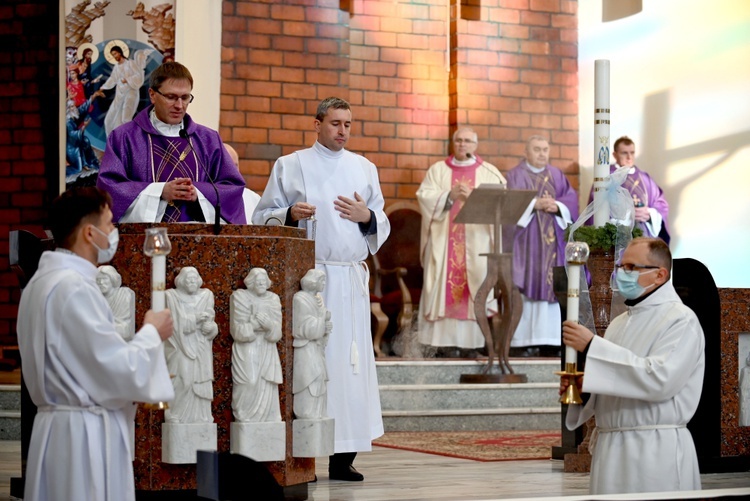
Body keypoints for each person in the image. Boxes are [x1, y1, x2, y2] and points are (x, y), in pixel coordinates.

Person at [253, 97, 390, 481]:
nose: (343, 131)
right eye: (335, 123)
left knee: (350, 366)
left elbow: (380, 221)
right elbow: (262, 216)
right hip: (308, 281)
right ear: (317, 124)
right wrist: (289, 215)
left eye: (348, 124)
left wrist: (367, 218)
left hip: (348, 281)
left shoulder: (364, 168)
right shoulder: (290, 165)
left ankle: (344, 456)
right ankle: (307, 457)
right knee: (314, 366)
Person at [17, 187, 174, 501]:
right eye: (110, 223)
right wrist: (151, 332)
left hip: (57, 430)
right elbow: (114, 369)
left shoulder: (41, 283)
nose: (114, 231)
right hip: (82, 438)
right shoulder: (74, 289)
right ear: (90, 233)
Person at [560, 237, 705, 495]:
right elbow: (616, 381)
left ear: (660, 275)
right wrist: (584, 388)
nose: (620, 275)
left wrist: (593, 347)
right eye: (620, 267)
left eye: (630, 268)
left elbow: (659, 379)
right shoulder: (619, 323)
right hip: (610, 447)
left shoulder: (681, 320)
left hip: (654, 449)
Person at [97, 61, 246, 224]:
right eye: (171, 97)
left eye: (185, 97)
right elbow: (109, 189)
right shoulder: (124, 138)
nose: (179, 106)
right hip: (142, 242)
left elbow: (232, 188)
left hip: (198, 240)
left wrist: (198, 193)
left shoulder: (208, 140)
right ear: (152, 94)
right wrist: (160, 192)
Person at [416, 127, 506, 356]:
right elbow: (424, 197)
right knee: (444, 285)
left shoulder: (489, 172)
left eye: (467, 141)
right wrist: (448, 196)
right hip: (444, 242)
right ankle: (442, 345)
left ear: (475, 145)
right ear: (453, 143)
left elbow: (501, 204)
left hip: (477, 244)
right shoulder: (437, 171)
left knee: (474, 287)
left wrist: (473, 197)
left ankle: (471, 346)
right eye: (459, 140)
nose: (463, 144)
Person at [503, 135, 578, 357]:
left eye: (545, 149)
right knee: (527, 284)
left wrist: (558, 206)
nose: (542, 153)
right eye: (536, 149)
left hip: (553, 243)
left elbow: (571, 200)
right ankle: (523, 342)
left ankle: (551, 341)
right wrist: (533, 204)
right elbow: (507, 205)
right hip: (527, 243)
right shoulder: (515, 175)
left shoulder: (557, 175)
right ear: (526, 151)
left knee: (552, 285)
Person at [588, 136, 670, 243]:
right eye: (624, 153)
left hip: (644, 237)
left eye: (632, 152)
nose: (629, 157)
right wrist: (629, 215)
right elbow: (598, 208)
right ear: (615, 154)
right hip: (618, 239)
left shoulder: (645, 178)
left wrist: (649, 214)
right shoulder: (606, 178)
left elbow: (661, 204)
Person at [164, 266, 219, 424]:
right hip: (180, 346)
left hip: (201, 347)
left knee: (199, 383)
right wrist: (195, 319)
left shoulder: (206, 296)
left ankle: (201, 416)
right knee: (183, 379)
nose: (192, 281)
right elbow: (173, 323)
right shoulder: (171, 296)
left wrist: (211, 329)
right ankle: (174, 412)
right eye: (188, 278)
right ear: (180, 281)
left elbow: (211, 321)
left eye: (194, 278)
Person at [230, 268, 283, 423]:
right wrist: (253, 324)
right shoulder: (240, 297)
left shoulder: (273, 299)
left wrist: (269, 326)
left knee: (267, 383)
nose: (261, 284)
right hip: (247, 346)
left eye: (263, 281)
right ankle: (244, 414)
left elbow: (277, 331)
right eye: (257, 281)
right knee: (249, 381)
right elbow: (237, 329)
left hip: (267, 347)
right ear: (250, 283)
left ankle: (269, 417)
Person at [292, 269, 332, 420]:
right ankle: (307, 413)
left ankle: (317, 413)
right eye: (321, 281)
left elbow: (319, 326)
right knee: (310, 378)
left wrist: (325, 328)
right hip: (306, 348)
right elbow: (305, 329)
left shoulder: (318, 299)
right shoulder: (300, 299)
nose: (323, 284)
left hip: (316, 347)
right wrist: (322, 319)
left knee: (320, 378)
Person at [99, 45, 153, 136]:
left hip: (130, 93)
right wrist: (103, 87)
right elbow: (113, 78)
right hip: (119, 94)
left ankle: (134, 139)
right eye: (113, 55)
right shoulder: (116, 67)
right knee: (109, 120)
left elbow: (139, 76)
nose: (114, 56)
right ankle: (114, 142)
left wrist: (127, 79)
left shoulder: (130, 63)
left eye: (115, 53)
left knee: (125, 119)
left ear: (120, 52)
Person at [96, 265, 136, 341]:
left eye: (104, 279)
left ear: (113, 279)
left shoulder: (124, 294)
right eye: (98, 280)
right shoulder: (94, 298)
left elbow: (126, 330)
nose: (101, 282)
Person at [224, 142, 261, 222]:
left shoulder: (253, 199)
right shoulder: (203, 198)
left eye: (235, 166)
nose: (233, 172)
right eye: (228, 166)